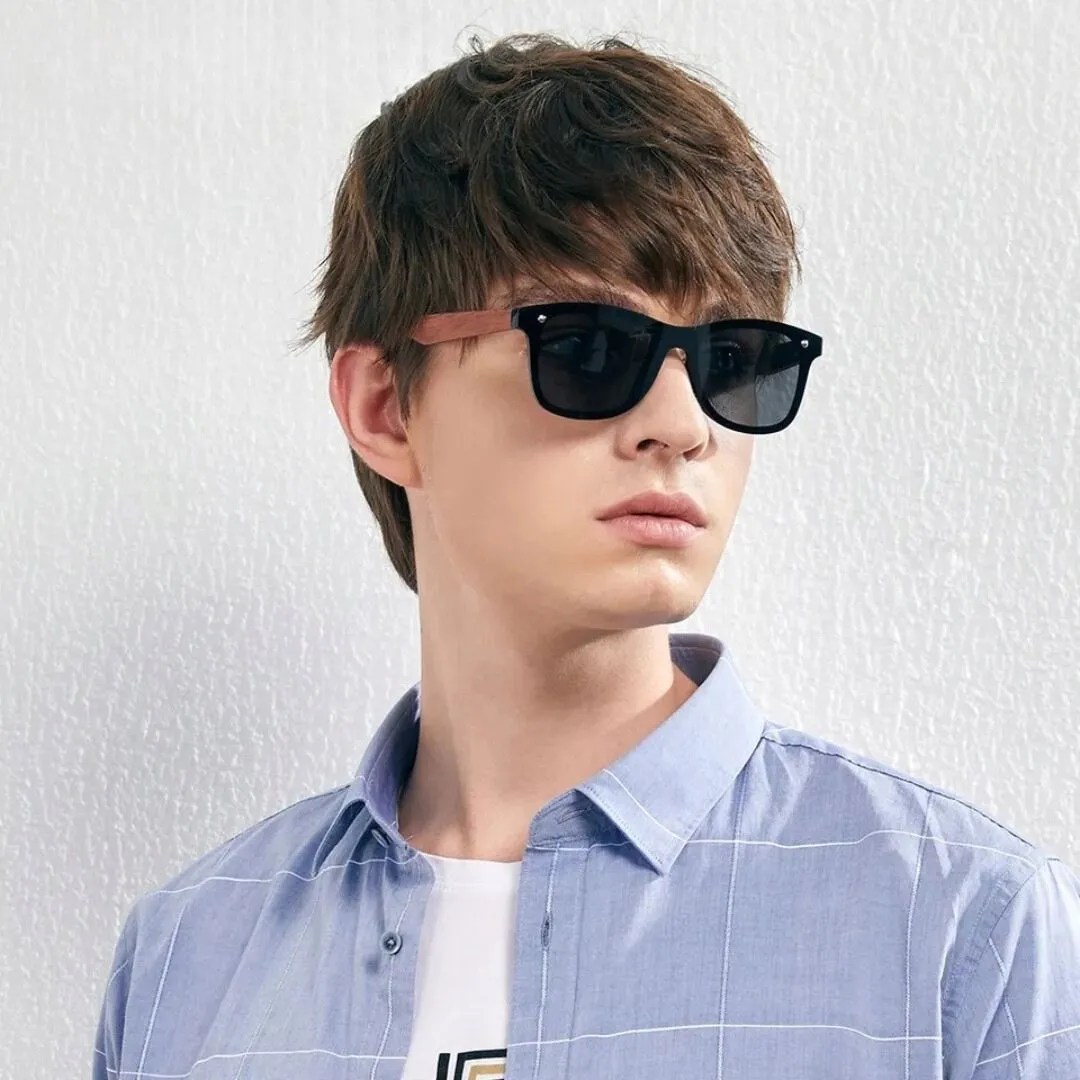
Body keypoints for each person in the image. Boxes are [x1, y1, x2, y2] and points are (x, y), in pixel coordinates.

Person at [93, 31, 1079, 1080]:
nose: (683, 426)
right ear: (385, 406)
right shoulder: (185, 965)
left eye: (732, 360)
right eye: (588, 347)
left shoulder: (960, 929)